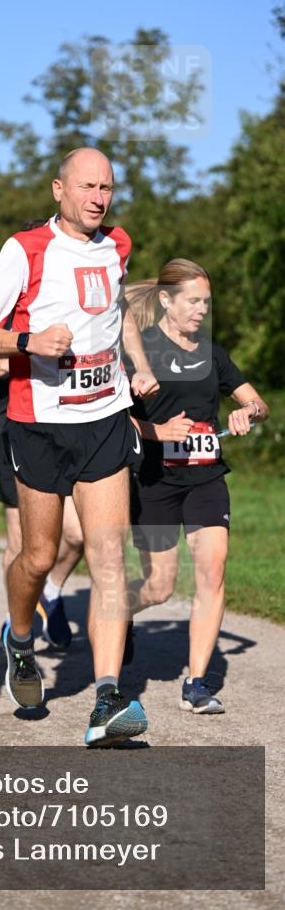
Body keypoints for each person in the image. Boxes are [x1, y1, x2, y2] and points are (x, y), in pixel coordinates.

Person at [0, 147, 159, 747]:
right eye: (86, 187)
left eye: (106, 187)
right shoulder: (24, 249)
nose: (98, 198)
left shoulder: (118, 244)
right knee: (40, 557)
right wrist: (28, 340)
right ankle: (20, 642)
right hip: (39, 423)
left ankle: (107, 697)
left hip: (103, 418)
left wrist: (136, 365)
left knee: (107, 554)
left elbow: (119, 310)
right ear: (59, 189)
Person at [125, 259, 268, 714]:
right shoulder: (140, 351)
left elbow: (257, 401)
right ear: (166, 300)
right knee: (160, 586)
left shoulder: (213, 353)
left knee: (213, 570)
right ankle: (122, 613)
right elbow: (112, 419)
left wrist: (248, 413)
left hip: (206, 474)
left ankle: (197, 683)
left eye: (206, 301)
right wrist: (156, 433)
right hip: (156, 479)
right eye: (193, 300)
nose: (201, 310)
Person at [0, 355, 82, 650]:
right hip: (15, 426)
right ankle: (16, 617)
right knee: (20, 542)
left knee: (77, 534)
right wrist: (20, 360)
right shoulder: (5, 311)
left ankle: (50, 590)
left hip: (72, 427)